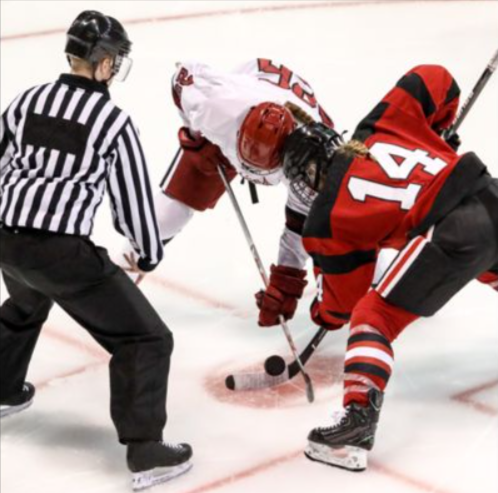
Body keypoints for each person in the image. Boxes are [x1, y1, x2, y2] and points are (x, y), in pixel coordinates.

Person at [0, 11, 192, 490]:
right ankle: (146, 451)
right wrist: (148, 253)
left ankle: (2, 387)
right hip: (62, 254)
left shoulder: (26, 101)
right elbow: (131, 203)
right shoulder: (111, 121)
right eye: (115, 60)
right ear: (104, 63)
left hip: (5, 241)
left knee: (25, 301)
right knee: (146, 339)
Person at [281, 64, 498, 471]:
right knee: (484, 260)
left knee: (373, 315)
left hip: (454, 228)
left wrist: (320, 313)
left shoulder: (326, 216)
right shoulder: (379, 123)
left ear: (310, 172)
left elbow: (345, 304)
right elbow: (435, 78)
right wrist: (436, 133)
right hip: (488, 195)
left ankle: (356, 424)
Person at [122, 59, 338, 327]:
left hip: (281, 136)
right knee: (166, 217)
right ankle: (120, 277)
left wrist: (286, 281)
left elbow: (298, 225)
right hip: (239, 113)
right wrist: (197, 136)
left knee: (330, 226)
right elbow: (182, 76)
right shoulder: (219, 106)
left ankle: (367, 286)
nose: (246, 170)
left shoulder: (309, 160)